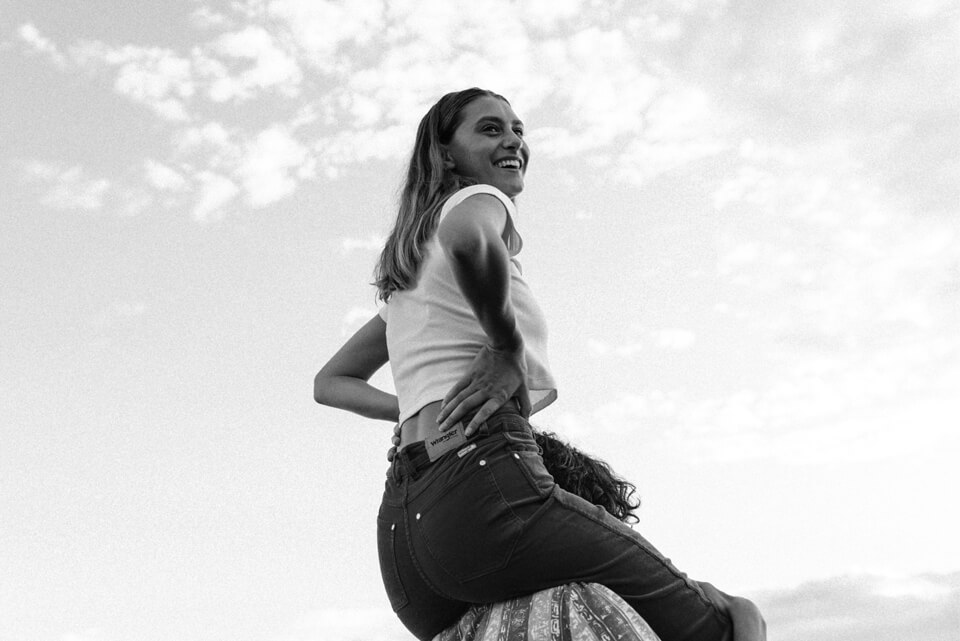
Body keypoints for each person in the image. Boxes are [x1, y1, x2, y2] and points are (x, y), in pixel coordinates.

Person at [314, 88, 765, 641]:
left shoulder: (409, 287)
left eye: (519, 130)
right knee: (724, 622)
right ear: (446, 154)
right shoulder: (475, 203)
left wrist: (412, 410)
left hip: (406, 543)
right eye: (490, 128)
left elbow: (329, 383)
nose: (513, 140)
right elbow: (467, 237)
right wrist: (506, 349)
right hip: (482, 494)